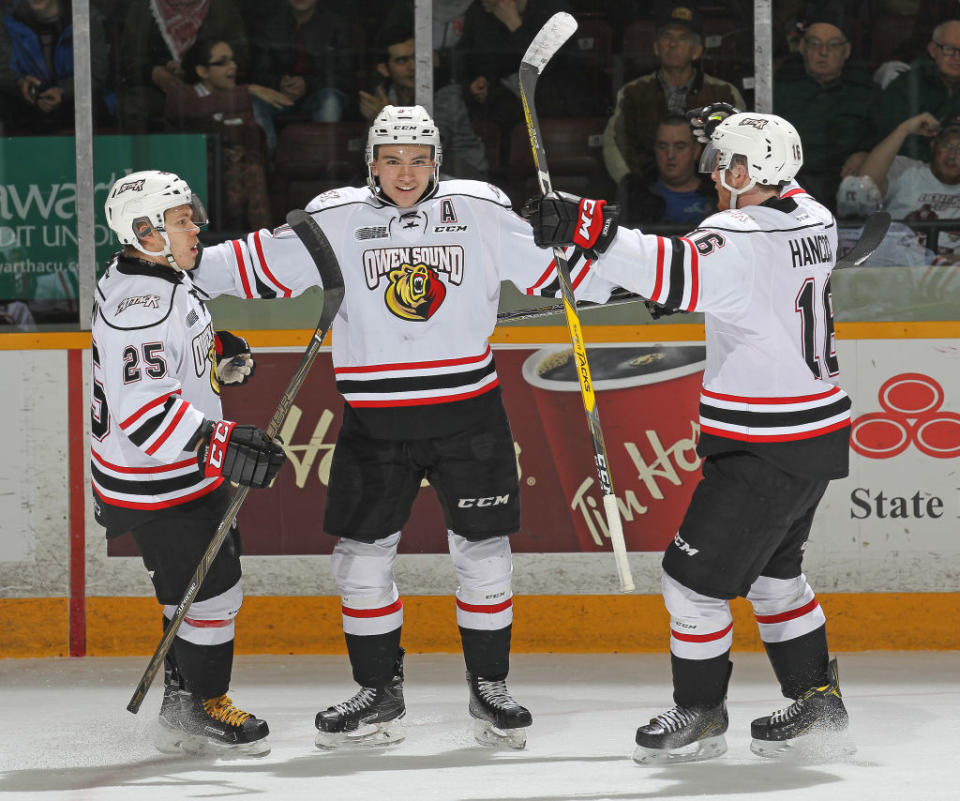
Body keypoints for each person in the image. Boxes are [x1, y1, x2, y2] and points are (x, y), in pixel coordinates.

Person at [521, 106, 854, 762]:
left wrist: (591, 226)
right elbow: (715, 277)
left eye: (722, 165)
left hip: (765, 444)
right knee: (774, 577)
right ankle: (817, 699)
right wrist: (661, 280)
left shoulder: (733, 234)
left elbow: (674, 263)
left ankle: (700, 710)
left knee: (690, 581)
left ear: (742, 170)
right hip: (811, 436)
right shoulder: (816, 216)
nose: (714, 180)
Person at [298, 105, 612, 751]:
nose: (404, 173)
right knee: (360, 560)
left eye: (418, 159)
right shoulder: (333, 216)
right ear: (371, 164)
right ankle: (377, 691)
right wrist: (168, 274)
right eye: (391, 159)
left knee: (484, 553)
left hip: (468, 417)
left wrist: (611, 263)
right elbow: (247, 263)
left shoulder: (481, 208)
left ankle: (489, 687)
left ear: (437, 161)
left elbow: (560, 273)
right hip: (374, 421)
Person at [94, 170, 290, 756]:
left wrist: (213, 349)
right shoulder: (141, 306)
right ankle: (204, 706)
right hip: (158, 474)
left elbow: (167, 359)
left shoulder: (159, 276)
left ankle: (181, 701)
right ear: (145, 231)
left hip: (171, 466)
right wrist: (223, 439)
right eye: (181, 220)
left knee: (192, 588)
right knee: (212, 589)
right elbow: (147, 416)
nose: (196, 226)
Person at [603, 3, 745, 183]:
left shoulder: (724, 93)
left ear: (696, 51)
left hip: (710, 192)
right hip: (647, 190)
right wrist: (630, 184)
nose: (672, 44)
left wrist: (717, 187)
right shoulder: (632, 92)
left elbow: (740, 145)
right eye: (666, 37)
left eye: (683, 38)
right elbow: (614, 143)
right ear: (656, 47)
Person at [165, 38, 283, 230]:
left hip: (234, 172)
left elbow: (253, 136)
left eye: (233, 60)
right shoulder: (183, 95)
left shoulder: (238, 99)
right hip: (193, 174)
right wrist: (247, 91)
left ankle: (259, 239)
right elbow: (192, 109)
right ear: (202, 71)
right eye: (223, 62)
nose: (233, 66)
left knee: (251, 170)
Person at [773, 12, 877, 212]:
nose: (823, 52)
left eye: (833, 45)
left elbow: (882, 135)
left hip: (844, 186)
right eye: (814, 44)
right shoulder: (778, 89)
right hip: (790, 184)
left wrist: (866, 154)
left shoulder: (866, 92)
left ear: (846, 51)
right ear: (802, 48)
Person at [359, 25, 489, 180]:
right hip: (414, 177)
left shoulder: (446, 92)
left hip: (462, 176)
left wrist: (384, 121)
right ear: (384, 69)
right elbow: (370, 156)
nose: (412, 67)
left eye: (416, 57)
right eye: (402, 61)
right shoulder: (383, 95)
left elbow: (429, 148)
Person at [117, 0, 249, 131]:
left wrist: (199, 72)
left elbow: (241, 56)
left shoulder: (222, 7)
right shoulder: (143, 7)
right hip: (158, 93)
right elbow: (129, 58)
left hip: (211, 89)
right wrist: (154, 73)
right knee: (134, 106)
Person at [250, 0, 357, 158]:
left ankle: (321, 166)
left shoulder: (336, 25)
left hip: (320, 94)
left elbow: (345, 75)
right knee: (254, 101)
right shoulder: (270, 25)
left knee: (330, 101)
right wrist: (279, 82)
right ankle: (269, 166)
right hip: (280, 96)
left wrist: (307, 84)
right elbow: (256, 73)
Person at [854, 111, 960, 260]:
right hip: (895, 272)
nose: (952, 155)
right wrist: (903, 129)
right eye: (946, 145)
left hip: (950, 276)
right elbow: (863, 186)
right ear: (933, 146)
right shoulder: (907, 170)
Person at [0, 0, 109, 133]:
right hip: (22, 115)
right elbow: (3, 68)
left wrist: (64, 91)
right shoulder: (7, 20)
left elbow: (97, 72)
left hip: (77, 117)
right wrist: (19, 82)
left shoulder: (85, 18)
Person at [871, 19, 960, 161]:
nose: (957, 57)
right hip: (911, 170)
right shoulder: (906, 87)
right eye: (948, 49)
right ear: (933, 50)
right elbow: (890, 143)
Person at [617, 114, 717, 226]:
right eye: (663, 147)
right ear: (655, 149)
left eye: (679, 147)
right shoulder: (636, 193)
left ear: (696, 151)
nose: (670, 155)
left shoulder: (717, 191)